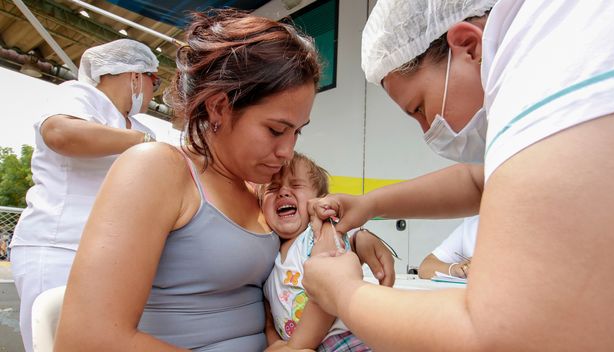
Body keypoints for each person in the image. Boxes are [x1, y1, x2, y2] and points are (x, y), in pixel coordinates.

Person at [54, 10, 393, 352]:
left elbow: (298, 247)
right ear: (218, 107)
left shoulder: (257, 188)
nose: (287, 151)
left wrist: (355, 238)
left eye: (296, 132)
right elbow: (85, 339)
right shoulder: (157, 169)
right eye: (275, 130)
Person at [303, 0, 614, 350]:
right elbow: (477, 182)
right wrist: (370, 204)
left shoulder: (551, 62)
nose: (427, 129)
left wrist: (345, 294)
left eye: (420, 108)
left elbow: (499, 331)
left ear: (469, 46)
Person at [9, 38, 160, 352]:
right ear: (135, 75)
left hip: (108, 256)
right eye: (154, 80)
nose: (154, 90)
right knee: (56, 341)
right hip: (57, 245)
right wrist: (142, 140)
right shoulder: (80, 95)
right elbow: (60, 133)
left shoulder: (139, 127)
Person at [262, 152, 373, 351]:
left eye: (295, 185)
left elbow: (328, 293)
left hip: (345, 339)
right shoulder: (268, 258)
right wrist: (275, 344)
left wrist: (293, 347)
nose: (283, 192)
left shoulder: (320, 232)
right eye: (273, 188)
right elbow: (269, 316)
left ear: (318, 203)